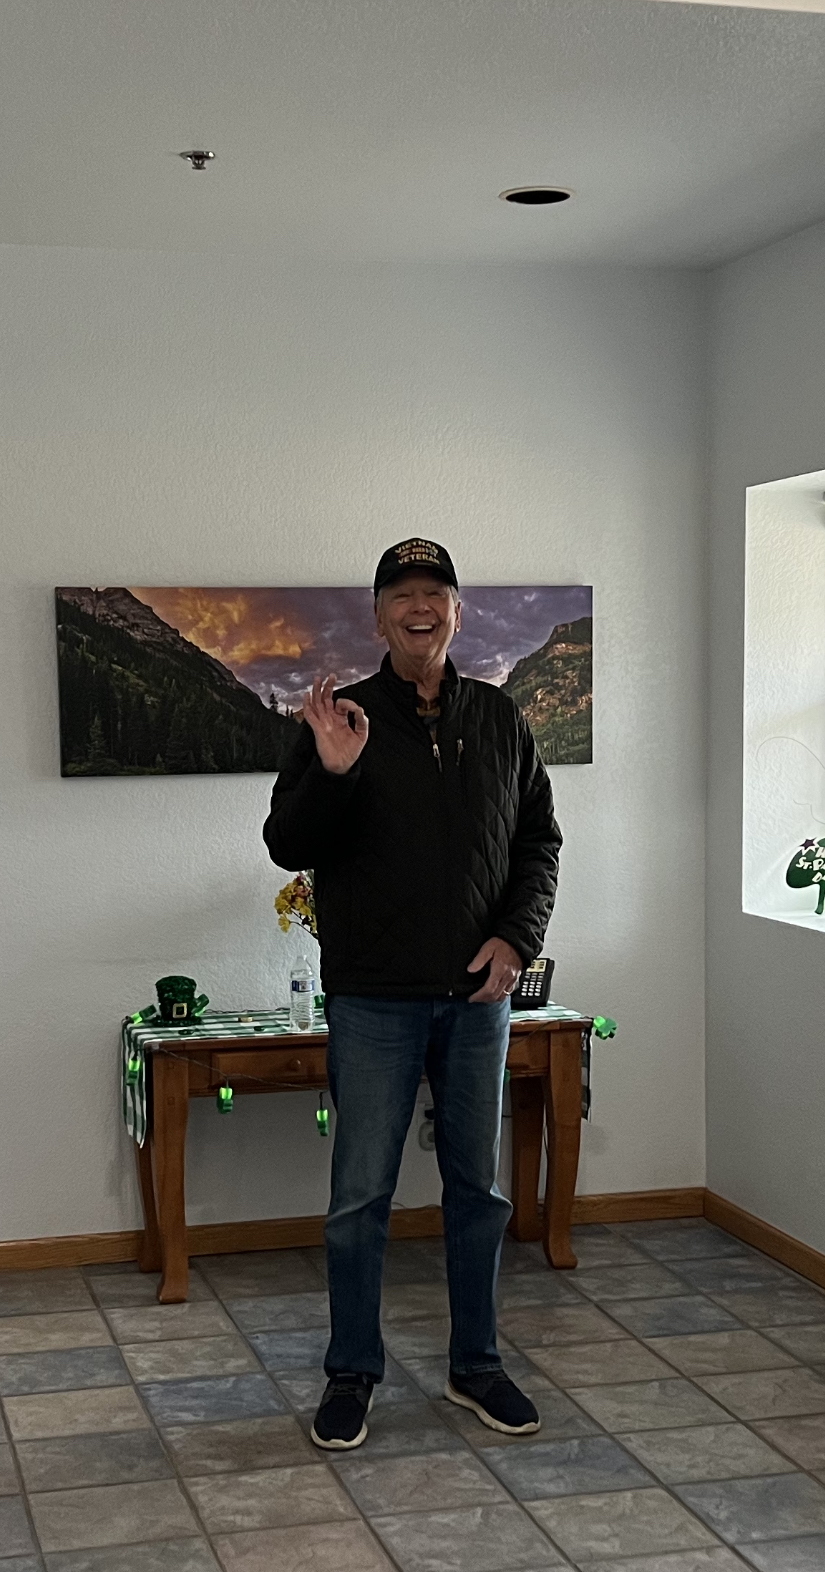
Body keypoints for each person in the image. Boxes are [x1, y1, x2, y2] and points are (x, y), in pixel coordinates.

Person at [263, 537, 562, 1450]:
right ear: (379, 616)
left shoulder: (501, 719)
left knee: (478, 1191)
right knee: (361, 1197)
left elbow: (538, 844)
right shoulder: (342, 716)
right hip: (373, 1001)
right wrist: (334, 770)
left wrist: (517, 938)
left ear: (458, 613)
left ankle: (477, 1365)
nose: (419, 607)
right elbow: (288, 844)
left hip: (478, 1000)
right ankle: (352, 1373)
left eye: (436, 593)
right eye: (402, 594)